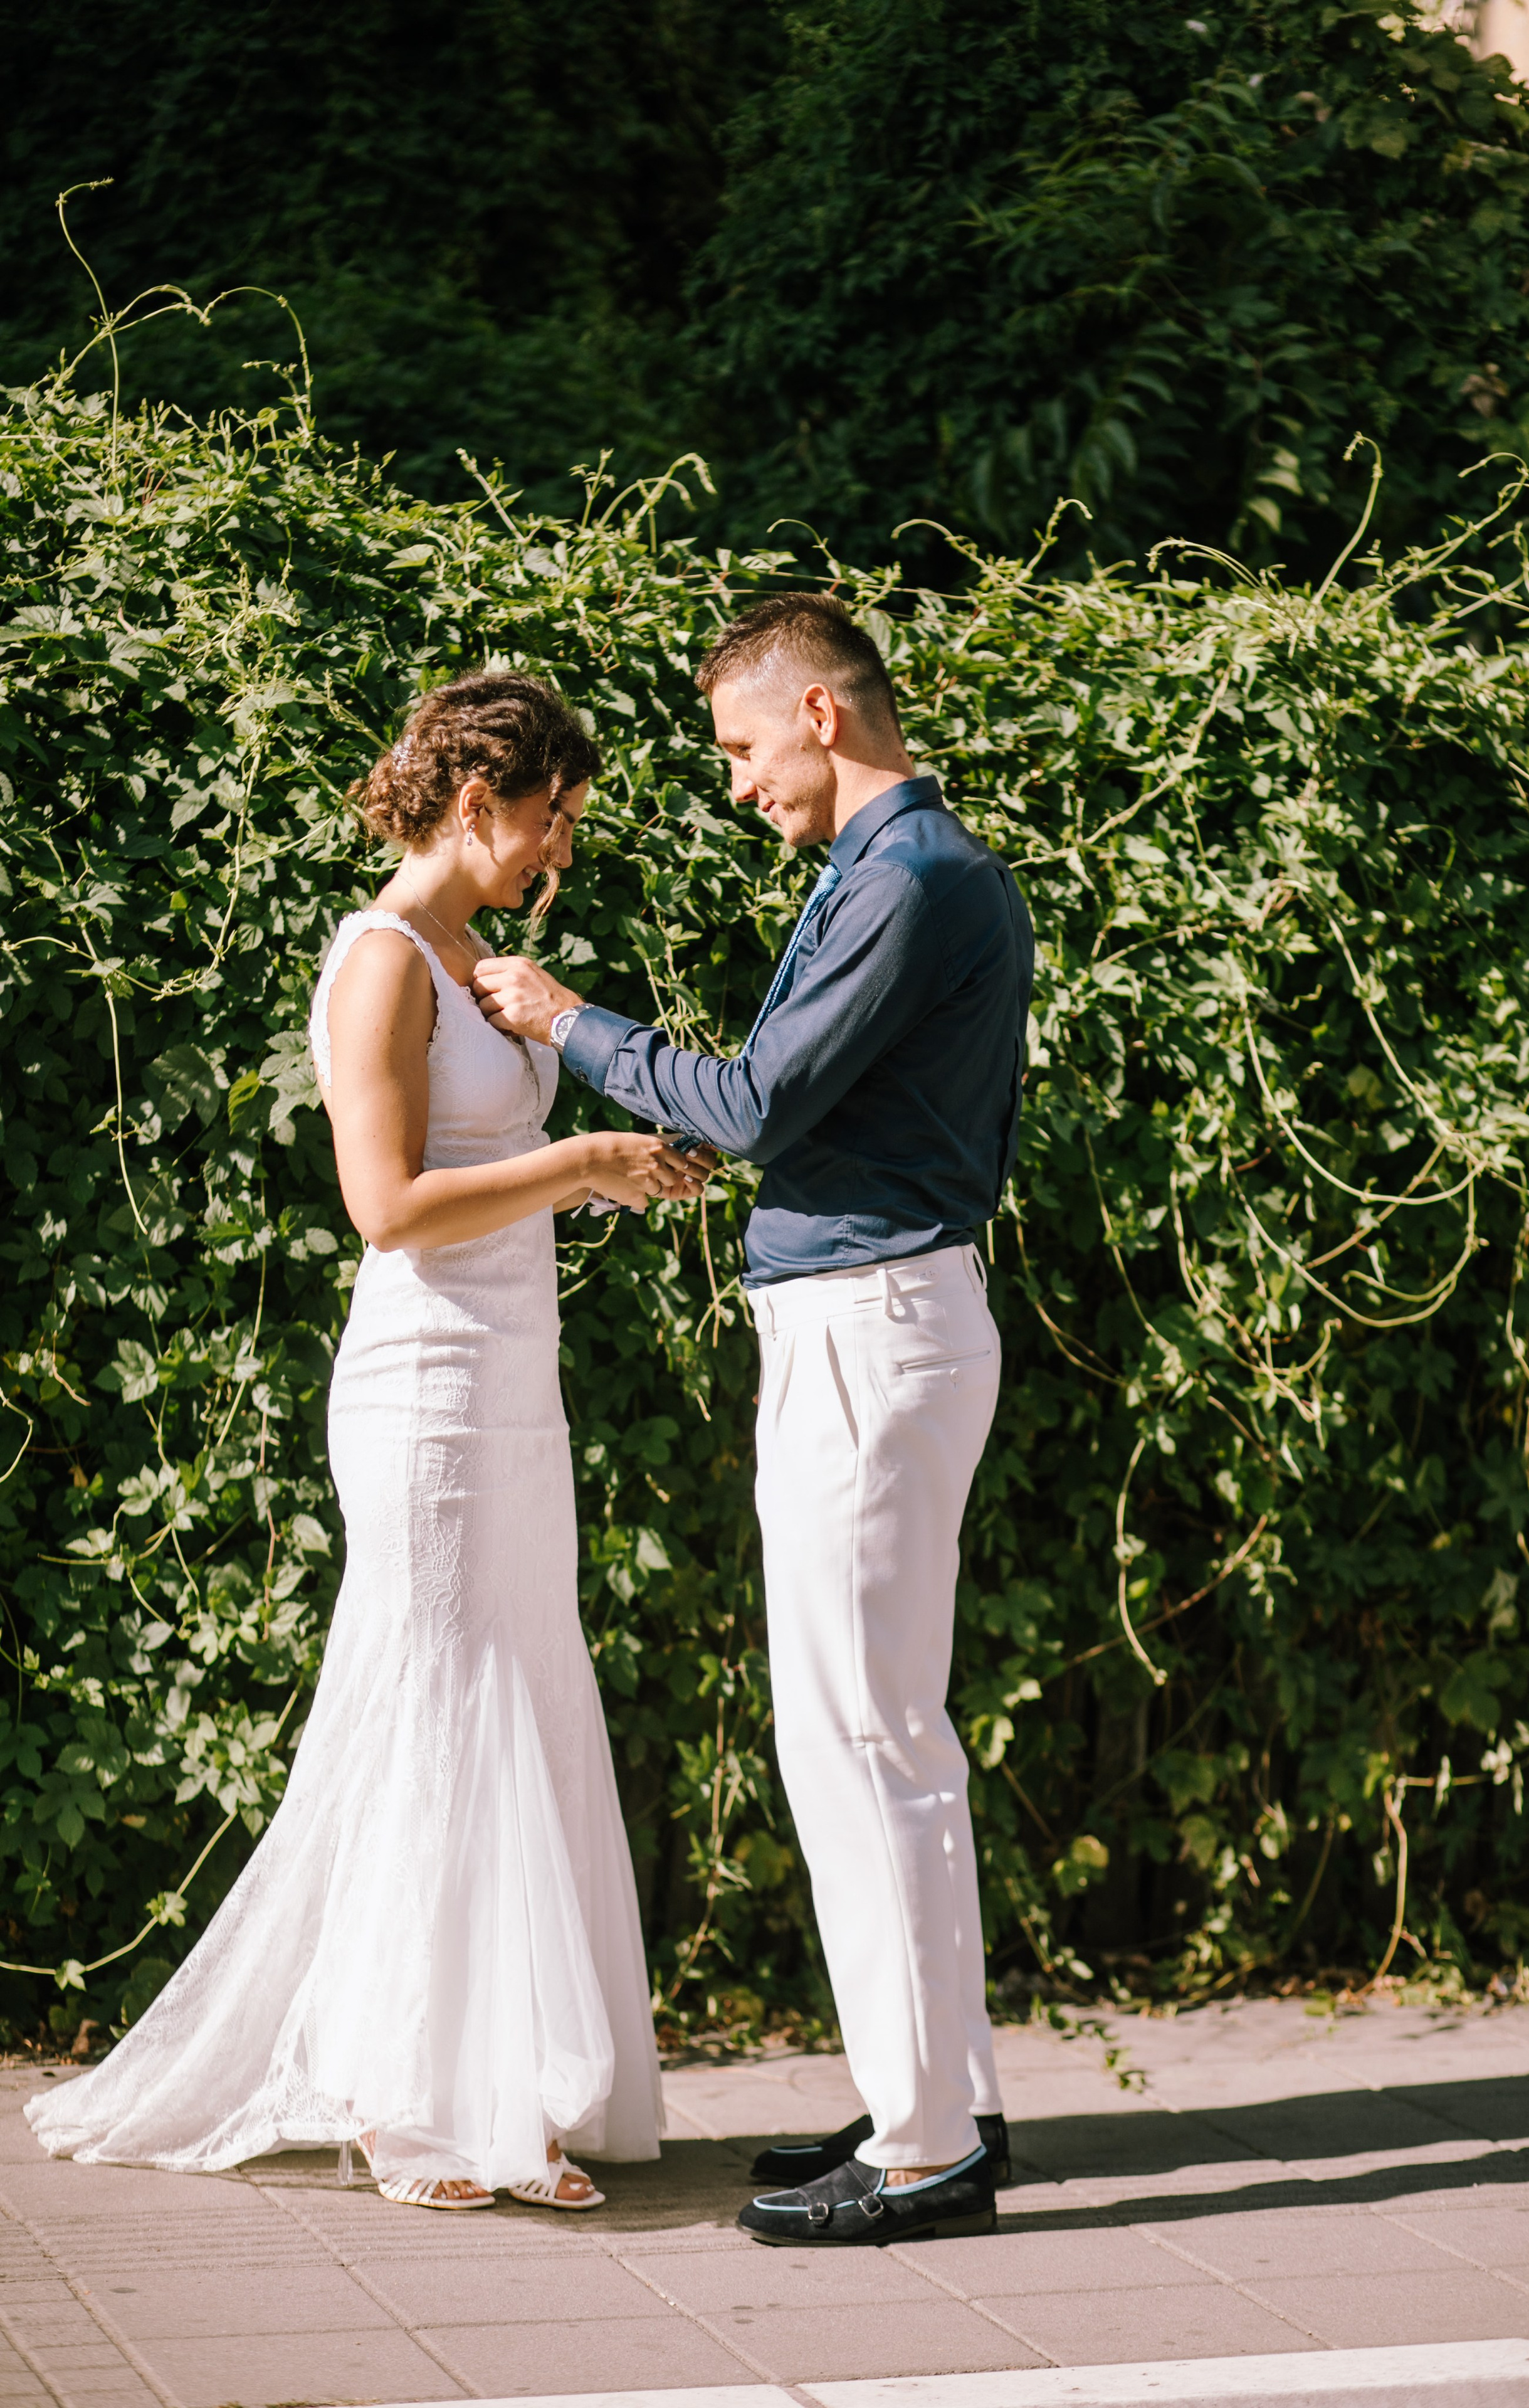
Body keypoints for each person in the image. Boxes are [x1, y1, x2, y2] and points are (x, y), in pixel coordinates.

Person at [27, 672, 707, 2211]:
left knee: (522, 1695)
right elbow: (387, 1207)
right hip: (423, 1391)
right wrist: (578, 1159)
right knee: (435, 1704)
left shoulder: (481, 961)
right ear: (478, 804)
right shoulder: (381, 959)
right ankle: (411, 2102)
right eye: (551, 821)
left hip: (517, 1384)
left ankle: (504, 2086)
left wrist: (595, 1143)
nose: (560, 852)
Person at [472, 597, 1034, 2247]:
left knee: (860, 1741)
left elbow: (760, 1100)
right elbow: (795, 1102)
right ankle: (941, 2102)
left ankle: (928, 2150)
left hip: (871, 1329)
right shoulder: (908, 876)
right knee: (885, 1736)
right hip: (883, 1318)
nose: (733, 785)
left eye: (738, 747)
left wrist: (570, 1023)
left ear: (819, 714)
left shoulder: (909, 879)